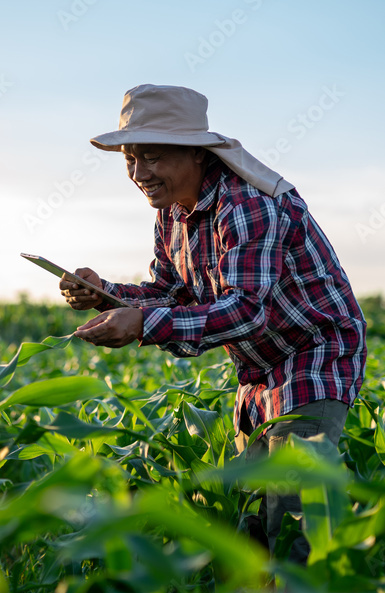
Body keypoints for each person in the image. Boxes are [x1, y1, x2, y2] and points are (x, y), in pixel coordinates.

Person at [60, 84, 366, 563]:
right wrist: (105, 295)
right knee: (247, 515)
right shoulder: (172, 216)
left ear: (198, 155)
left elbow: (245, 311)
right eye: (130, 159)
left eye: (153, 157)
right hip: (258, 370)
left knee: (295, 514)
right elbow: (168, 294)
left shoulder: (248, 205)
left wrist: (141, 325)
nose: (139, 173)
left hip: (312, 356)